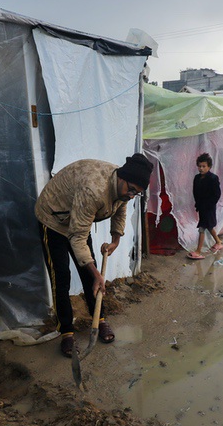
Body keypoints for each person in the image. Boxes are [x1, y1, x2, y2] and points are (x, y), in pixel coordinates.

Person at [34, 153, 153, 357]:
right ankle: (66, 331)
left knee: (90, 274)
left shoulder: (124, 189)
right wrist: (98, 275)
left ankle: (99, 319)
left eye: (137, 193)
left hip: (77, 217)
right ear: (121, 178)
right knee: (61, 276)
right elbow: (78, 237)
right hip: (53, 219)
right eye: (132, 190)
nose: (132, 195)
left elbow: (120, 209)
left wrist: (116, 239)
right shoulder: (94, 190)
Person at [188, 153, 223, 260]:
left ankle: (198, 251)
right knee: (209, 226)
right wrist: (198, 204)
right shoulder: (197, 178)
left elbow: (217, 194)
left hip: (209, 207)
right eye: (199, 166)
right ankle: (218, 242)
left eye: (204, 166)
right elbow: (195, 192)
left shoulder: (213, 178)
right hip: (201, 207)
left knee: (202, 227)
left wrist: (209, 205)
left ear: (209, 167)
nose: (201, 168)